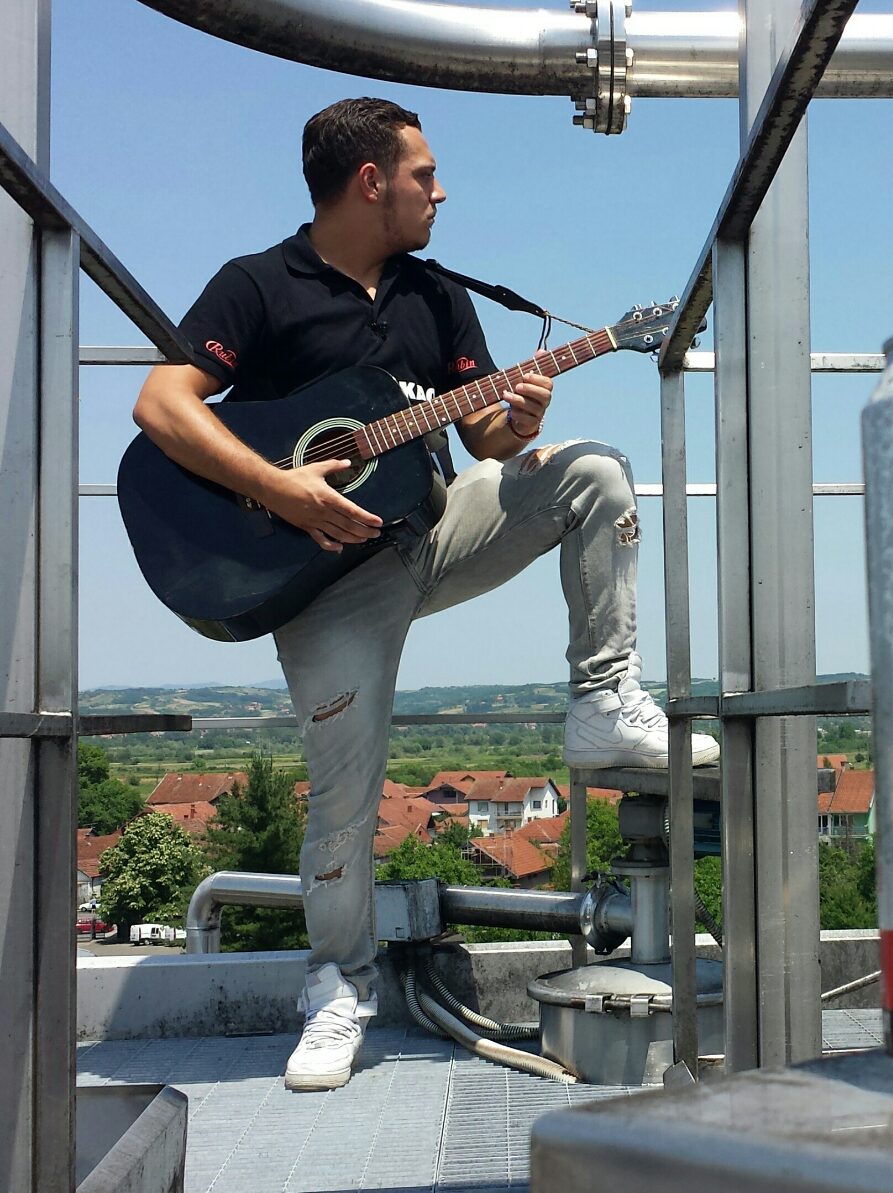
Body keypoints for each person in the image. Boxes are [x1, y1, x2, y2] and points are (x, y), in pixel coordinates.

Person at [132, 97, 719, 1091]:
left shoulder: (436, 294)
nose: (440, 193)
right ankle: (338, 987)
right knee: (344, 802)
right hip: (324, 579)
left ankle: (602, 701)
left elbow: (486, 438)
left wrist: (518, 417)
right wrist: (280, 486)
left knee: (593, 473)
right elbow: (160, 403)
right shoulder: (258, 285)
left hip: (436, 528)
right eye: (425, 174)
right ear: (372, 181)